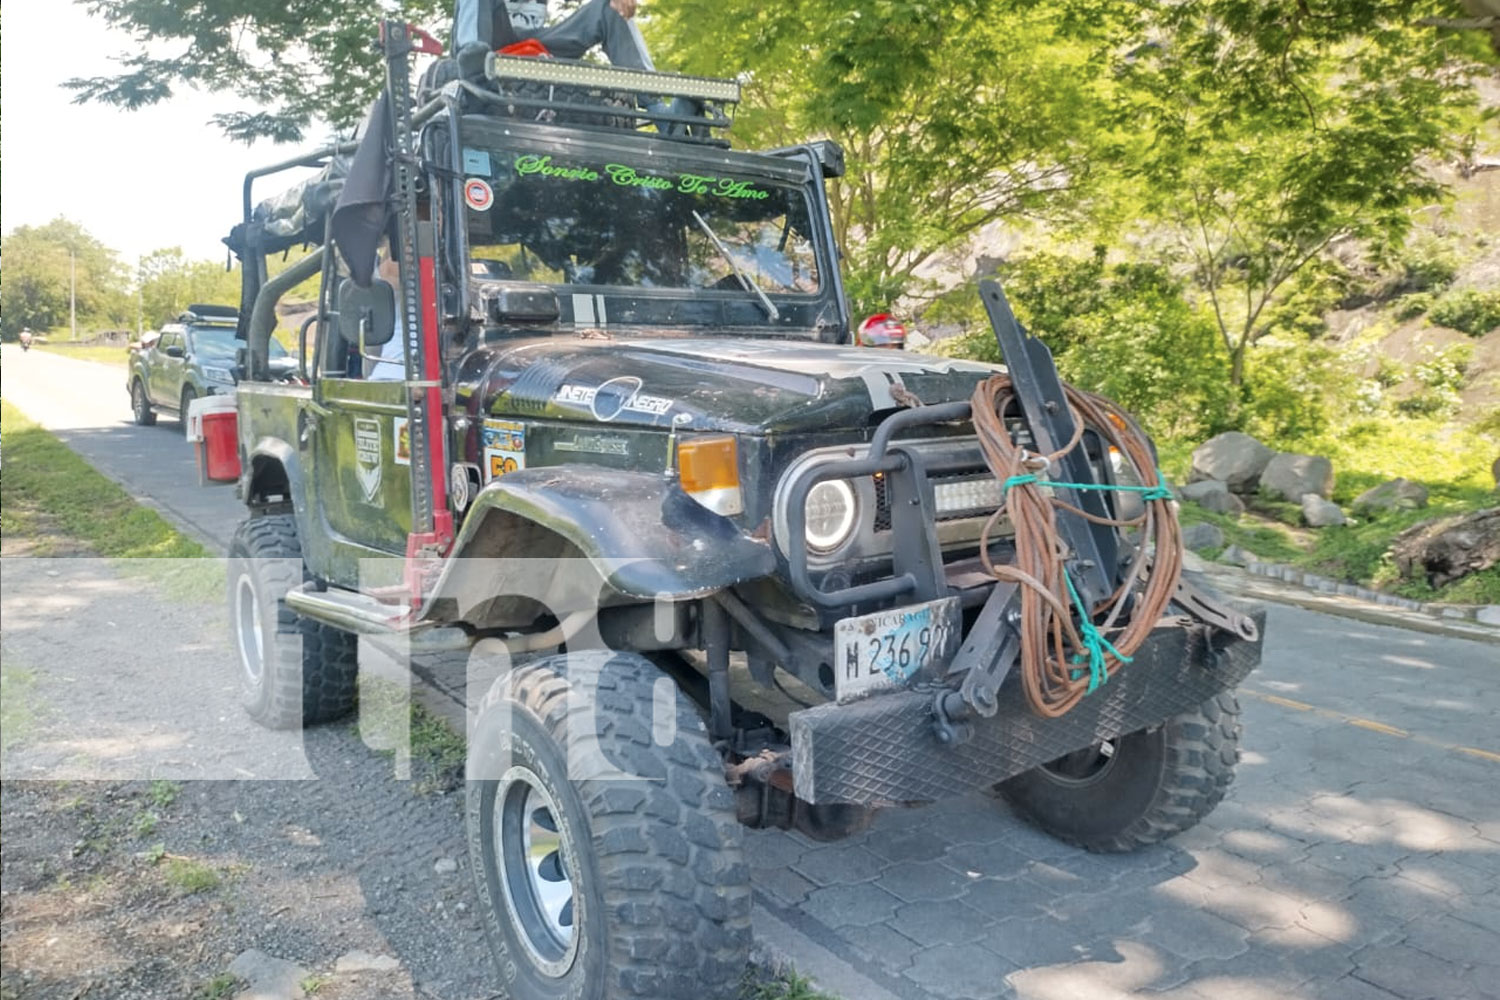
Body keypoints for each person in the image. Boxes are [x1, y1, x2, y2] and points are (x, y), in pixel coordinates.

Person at [452, 0, 653, 72]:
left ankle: (656, 104)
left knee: (609, 7)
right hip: (489, 39)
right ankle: (473, 66)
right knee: (476, 48)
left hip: (537, 44)